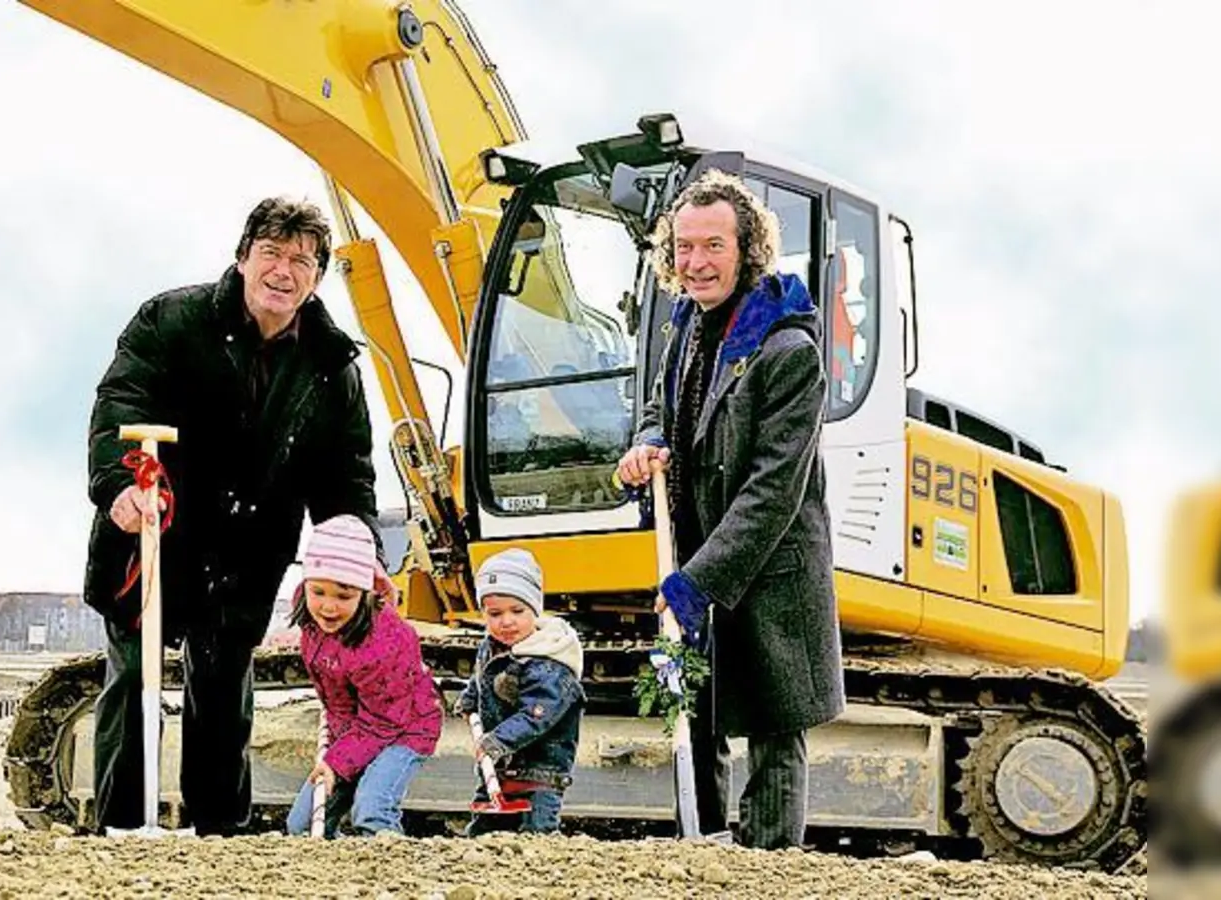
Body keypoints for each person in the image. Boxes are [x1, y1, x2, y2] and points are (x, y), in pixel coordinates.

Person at [84, 197, 381, 837]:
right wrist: (119, 487)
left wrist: (358, 552)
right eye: (271, 253)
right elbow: (120, 403)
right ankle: (120, 827)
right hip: (156, 535)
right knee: (134, 675)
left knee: (221, 686)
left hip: (248, 548)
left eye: (301, 260)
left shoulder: (330, 366)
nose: (283, 270)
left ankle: (220, 833)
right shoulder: (171, 321)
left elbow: (346, 473)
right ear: (243, 258)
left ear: (317, 278)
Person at [614, 169, 846, 850]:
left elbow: (773, 491)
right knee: (698, 717)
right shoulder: (687, 328)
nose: (695, 262)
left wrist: (700, 580)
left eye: (712, 246)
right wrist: (649, 442)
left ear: (747, 251)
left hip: (771, 574)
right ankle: (705, 858)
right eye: (684, 247)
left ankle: (770, 869)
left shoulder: (788, 353)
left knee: (775, 731)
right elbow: (665, 410)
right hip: (700, 555)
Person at [283, 515, 443, 838]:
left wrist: (337, 764)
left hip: (403, 729)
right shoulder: (312, 624)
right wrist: (338, 750)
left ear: (365, 593)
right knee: (301, 826)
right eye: (318, 592)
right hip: (358, 730)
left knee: (371, 810)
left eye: (343, 596)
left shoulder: (385, 644)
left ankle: (391, 877)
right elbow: (338, 699)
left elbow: (383, 722)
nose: (328, 607)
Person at [455, 548, 585, 835]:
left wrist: (497, 740)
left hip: (541, 771)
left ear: (534, 610)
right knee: (485, 829)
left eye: (517, 611)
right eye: (495, 614)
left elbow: (537, 715)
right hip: (501, 765)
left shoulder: (548, 664)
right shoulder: (490, 646)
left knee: (536, 833)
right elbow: (481, 678)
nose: (506, 621)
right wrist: (470, 699)